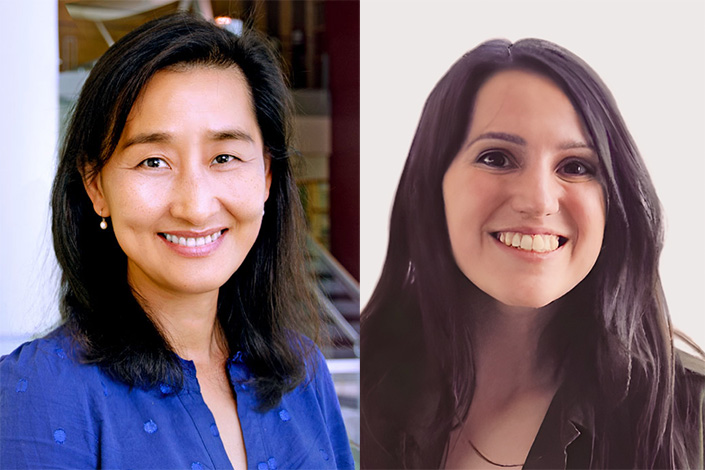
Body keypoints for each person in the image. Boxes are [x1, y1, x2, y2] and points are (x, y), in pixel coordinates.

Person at [0, 12, 354, 470]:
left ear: (265, 175)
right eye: (153, 162)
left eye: (224, 156)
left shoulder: (302, 373)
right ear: (95, 185)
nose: (195, 205)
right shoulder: (41, 392)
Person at [361, 38, 705, 469]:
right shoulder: (363, 380)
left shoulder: (691, 414)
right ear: (433, 186)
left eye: (576, 167)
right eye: (497, 158)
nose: (539, 200)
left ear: (613, 202)